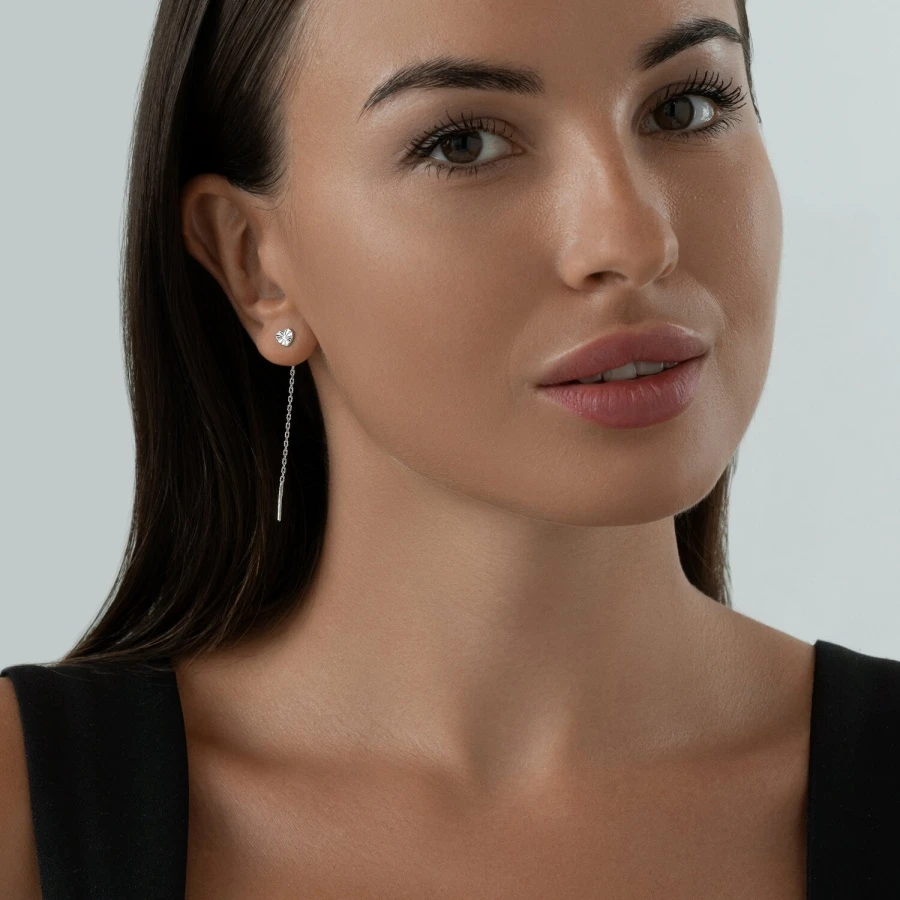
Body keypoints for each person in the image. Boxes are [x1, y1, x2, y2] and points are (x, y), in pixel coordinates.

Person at [2, 0, 898, 896]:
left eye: (685, 107)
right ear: (254, 264)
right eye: (463, 144)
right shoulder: (25, 815)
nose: (633, 241)